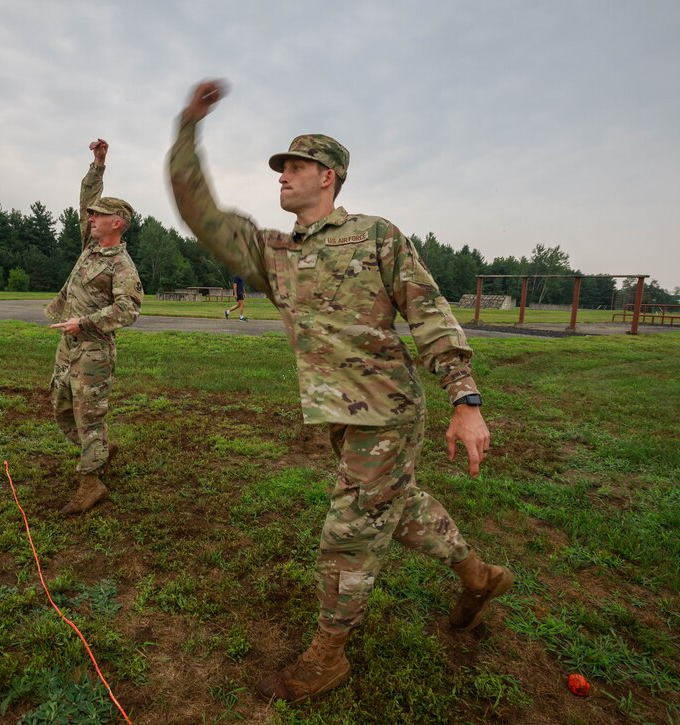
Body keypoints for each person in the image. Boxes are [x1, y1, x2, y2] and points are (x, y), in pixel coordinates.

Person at [169, 81, 512, 704]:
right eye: (281, 168)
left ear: (328, 176)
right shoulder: (273, 251)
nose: (283, 176)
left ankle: (328, 652)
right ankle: (479, 576)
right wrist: (188, 129)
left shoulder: (376, 235)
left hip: (387, 411)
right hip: (336, 413)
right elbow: (200, 211)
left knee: (348, 529)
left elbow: (430, 315)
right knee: (397, 506)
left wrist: (466, 401)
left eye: (295, 166)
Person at [45, 138, 143, 514]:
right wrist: (98, 164)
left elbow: (128, 310)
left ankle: (91, 482)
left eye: (97, 215)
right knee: (61, 406)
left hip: (93, 350)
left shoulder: (122, 266)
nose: (90, 218)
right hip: (68, 344)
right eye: (90, 215)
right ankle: (100, 448)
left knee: (90, 415)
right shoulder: (90, 246)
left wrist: (83, 324)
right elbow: (85, 195)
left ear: (115, 223)